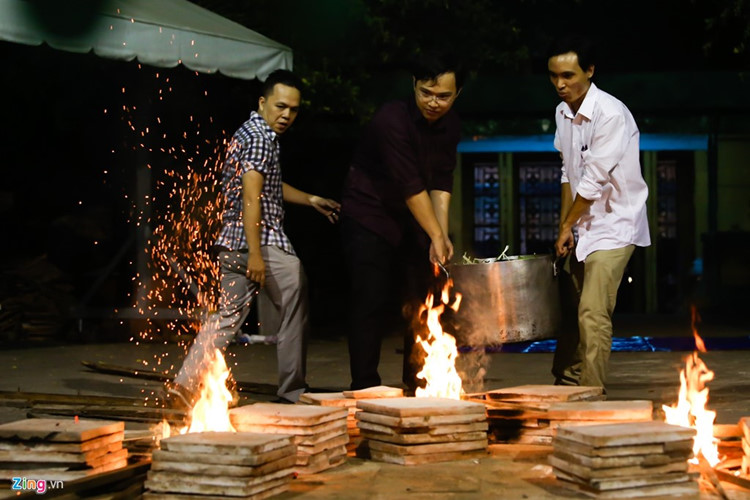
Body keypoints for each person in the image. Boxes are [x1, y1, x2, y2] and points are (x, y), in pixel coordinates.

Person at [166, 69, 341, 408]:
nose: (287, 115)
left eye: (293, 109)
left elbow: (267, 185)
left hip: (230, 243)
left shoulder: (247, 132)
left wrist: (310, 199)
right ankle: (292, 391)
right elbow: (252, 197)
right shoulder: (262, 137)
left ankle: (184, 384)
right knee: (294, 304)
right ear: (262, 102)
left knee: (227, 318)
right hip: (260, 241)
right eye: (280, 106)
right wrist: (256, 255)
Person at [340, 51, 465, 392]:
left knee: (424, 297)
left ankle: (419, 385)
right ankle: (366, 387)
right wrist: (435, 234)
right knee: (370, 299)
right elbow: (411, 186)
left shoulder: (452, 125)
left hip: (414, 218)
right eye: (426, 92)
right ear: (413, 85)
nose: (434, 103)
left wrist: (438, 237)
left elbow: (441, 182)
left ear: (457, 94)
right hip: (369, 215)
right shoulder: (391, 120)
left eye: (443, 96)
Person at [547, 36, 651, 390]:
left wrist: (567, 223)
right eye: (553, 76)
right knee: (572, 308)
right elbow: (568, 173)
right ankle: (568, 382)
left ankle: (591, 394)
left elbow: (591, 182)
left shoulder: (611, 113)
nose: (560, 84)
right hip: (582, 225)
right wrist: (566, 227)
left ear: (590, 71)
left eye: (568, 75)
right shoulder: (562, 112)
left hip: (616, 224)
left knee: (592, 310)